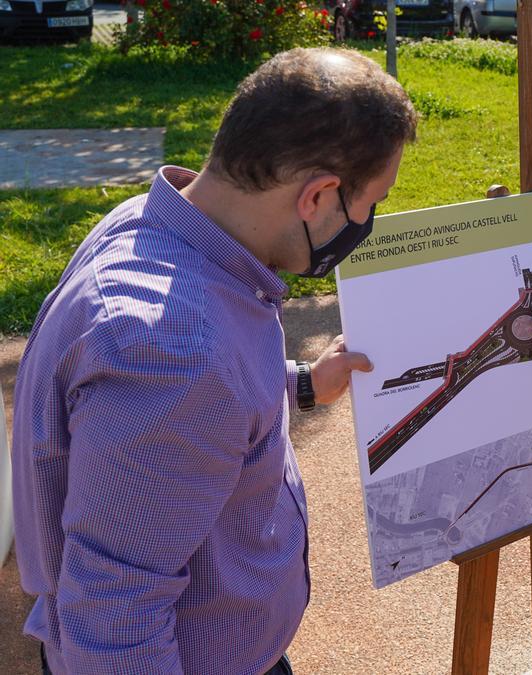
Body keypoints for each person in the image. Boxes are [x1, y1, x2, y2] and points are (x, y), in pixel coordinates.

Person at [10, 48, 417, 674]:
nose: (368, 222)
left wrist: (302, 384)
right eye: (371, 202)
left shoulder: (165, 225)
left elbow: (203, 408)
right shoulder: (178, 355)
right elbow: (116, 621)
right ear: (318, 197)